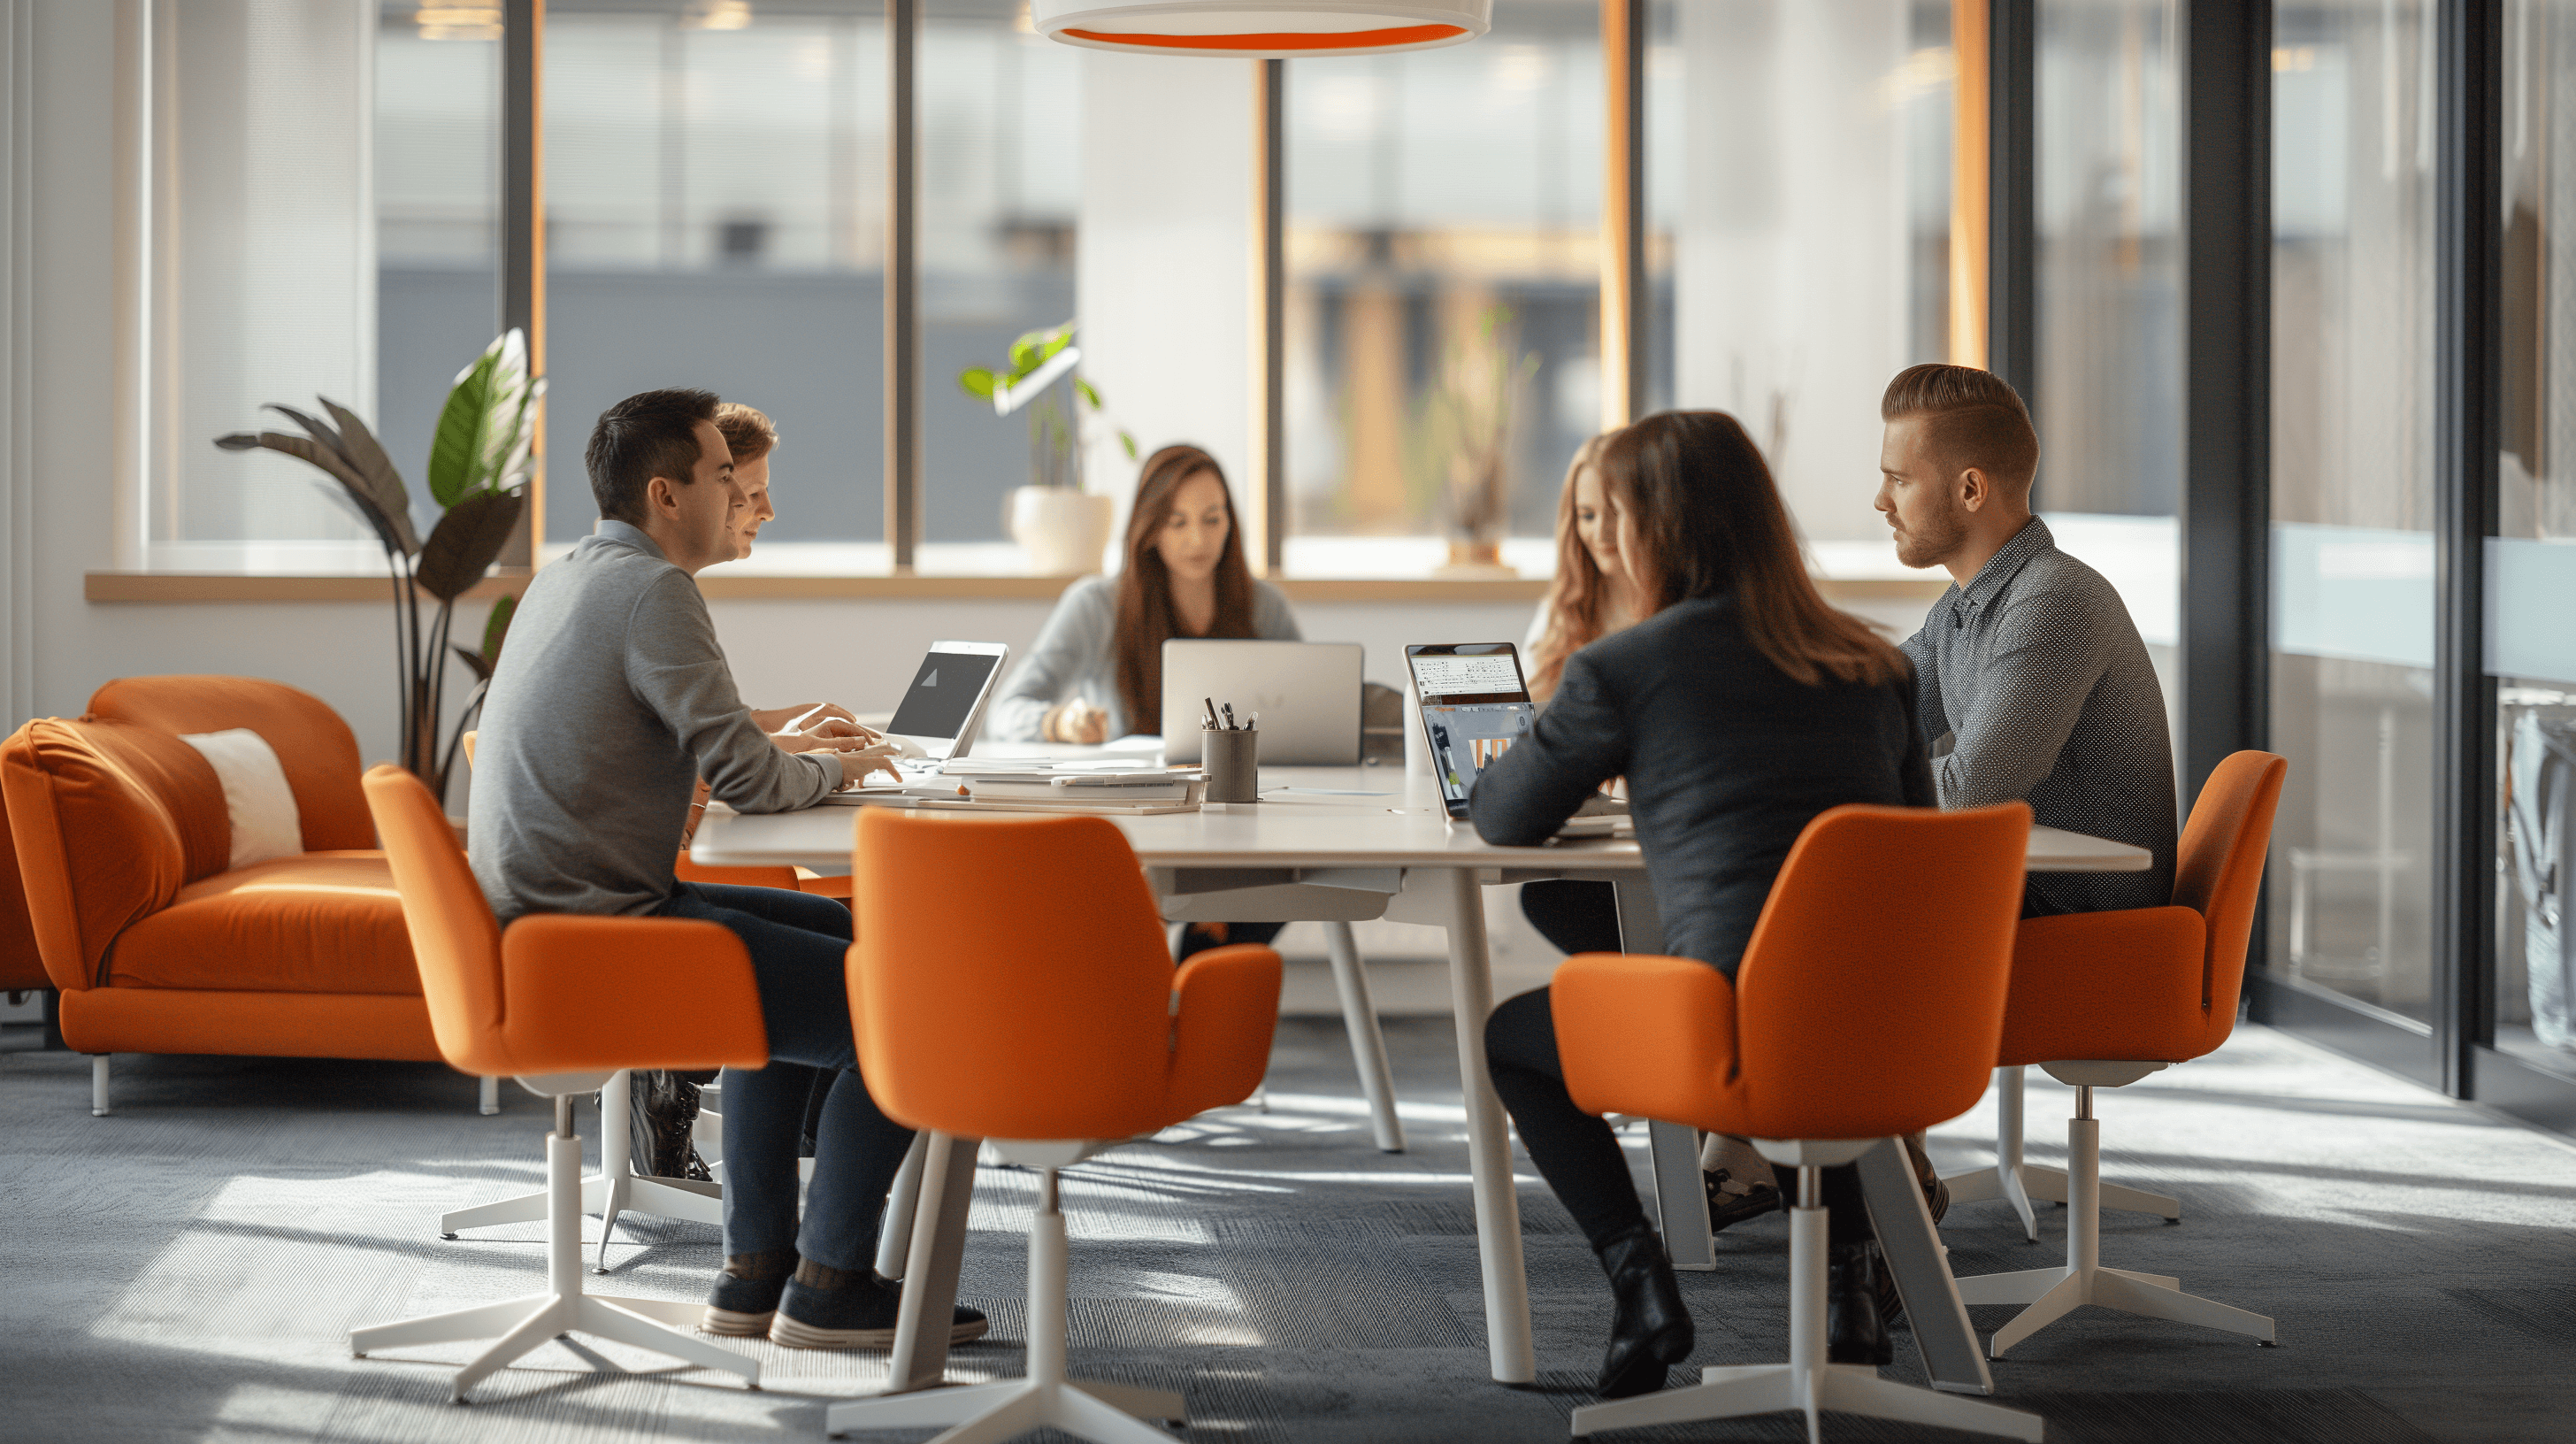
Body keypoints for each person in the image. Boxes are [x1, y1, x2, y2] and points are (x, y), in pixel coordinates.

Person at [470, 388, 983, 1350]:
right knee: (909, 998)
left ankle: (754, 1274)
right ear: (667, 494)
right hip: (600, 933)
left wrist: (800, 751)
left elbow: (699, 743)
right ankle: (830, 1285)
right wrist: (843, 764)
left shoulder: (573, 574)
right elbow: (747, 778)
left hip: (556, 916)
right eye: (722, 478)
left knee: (841, 933)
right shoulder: (654, 590)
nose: (741, 496)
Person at [1471, 411, 1934, 1397]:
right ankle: (1849, 1291)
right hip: (1900, 1029)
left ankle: (1641, 1280)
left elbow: (1504, 819)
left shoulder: (1625, 668)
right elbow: (1913, 845)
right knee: (1823, 1017)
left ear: (1656, 530)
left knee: (1514, 1037)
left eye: (1621, 515)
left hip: (1723, 1031)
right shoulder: (1877, 663)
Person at [1874, 363, 2177, 917]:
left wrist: (1844, 770)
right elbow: (1871, 710)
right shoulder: (1961, 613)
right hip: (2011, 900)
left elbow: (1971, 794)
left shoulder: (2054, 600)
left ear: (1970, 489)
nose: (1880, 502)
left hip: (2082, 934)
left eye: (1898, 480)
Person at [986, 444, 1301, 961]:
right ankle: (1178, 992)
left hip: (1236, 824)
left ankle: (1198, 980)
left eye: (1212, 518)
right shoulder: (1097, 606)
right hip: (1131, 825)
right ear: (1149, 528)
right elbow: (1007, 707)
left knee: (1287, 869)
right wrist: (1059, 721)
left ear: (1231, 523)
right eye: (1177, 522)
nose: (1198, 539)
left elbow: (1308, 708)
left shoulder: (1262, 606)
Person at [1514, 435, 1637, 960]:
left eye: (1613, 512)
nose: (1601, 532)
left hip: (1644, 825)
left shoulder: (1679, 614)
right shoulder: (1563, 611)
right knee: (1551, 897)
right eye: (1587, 514)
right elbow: (1528, 722)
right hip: (1591, 818)